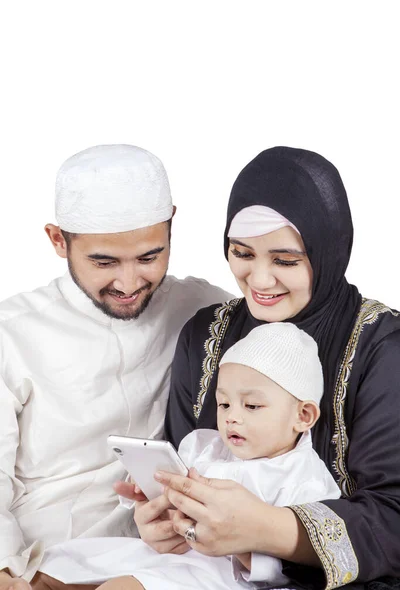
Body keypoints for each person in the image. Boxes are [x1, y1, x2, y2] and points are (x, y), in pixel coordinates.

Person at [120, 146, 400, 590]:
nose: (261, 280)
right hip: (201, 570)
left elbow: (394, 520)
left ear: (329, 250)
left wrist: (265, 530)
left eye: (286, 260)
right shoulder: (206, 335)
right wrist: (164, 521)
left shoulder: (381, 347)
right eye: (242, 253)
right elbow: (182, 465)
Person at [0, 144, 231, 590]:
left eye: (149, 257)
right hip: (40, 560)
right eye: (104, 262)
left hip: (168, 563)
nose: (128, 284)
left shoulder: (207, 310)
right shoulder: (11, 334)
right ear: (57, 240)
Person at [38, 322, 340, 590]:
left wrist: (239, 542)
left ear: (303, 415)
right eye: (224, 405)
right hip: (170, 554)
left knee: (121, 586)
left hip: (218, 574)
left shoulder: (308, 480)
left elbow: (297, 569)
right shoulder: (203, 445)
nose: (232, 418)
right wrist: (150, 490)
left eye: (252, 407)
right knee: (56, 567)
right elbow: (169, 499)